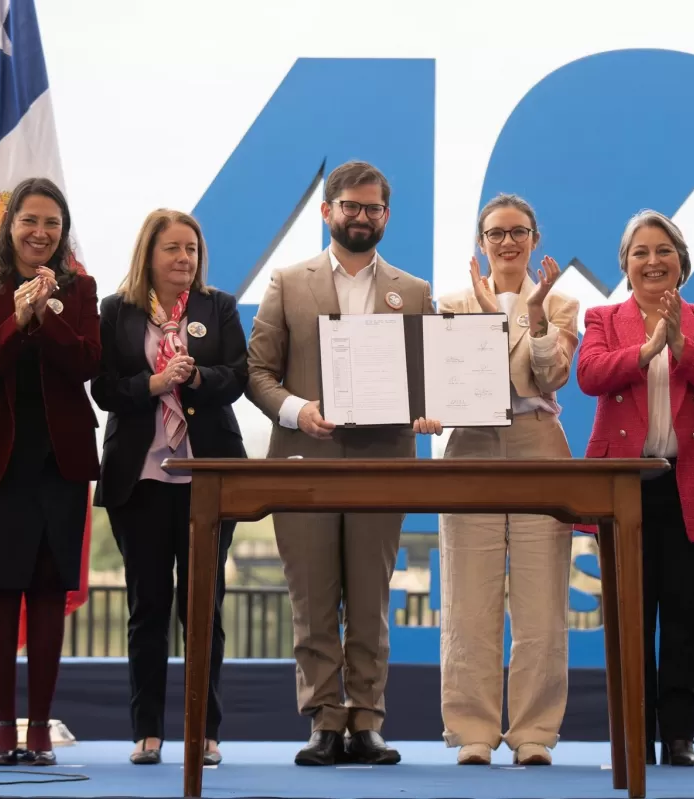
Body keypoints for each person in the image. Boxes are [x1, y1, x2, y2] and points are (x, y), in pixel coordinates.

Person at [246, 160, 440, 766]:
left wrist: (432, 408)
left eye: (372, 208)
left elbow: (430, 375)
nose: (361, 217)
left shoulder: (414, 291)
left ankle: (368, 720)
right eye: (350, 206)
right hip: (305, 458)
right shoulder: (287, 281)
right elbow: (257, 374)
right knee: (311, 597)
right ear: (327, 211)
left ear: (386, 216)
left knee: (370, 600)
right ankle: (324, 720)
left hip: (384, 462)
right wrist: (298, 410)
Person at [576, 210, 694, 767]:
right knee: (630, 615)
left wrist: (681, 344)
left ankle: (679, 735)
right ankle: (632, 735)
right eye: (640, 252)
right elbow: (590, 376)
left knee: (685, 615)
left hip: (691, 481)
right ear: (625, 265)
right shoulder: (602, 318)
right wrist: (646, 350)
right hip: (623, 486)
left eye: (663, 250)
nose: (652, 261)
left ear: (682, 262)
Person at [0, 177, 101, 766]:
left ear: (63, 234)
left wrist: (46, 315)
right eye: (29, 221)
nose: (40, 233)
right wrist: (15, 321)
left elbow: (88, 362)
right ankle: (3, 727)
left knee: (46, 591)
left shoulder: (81, 288)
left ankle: (39, 729)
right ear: (9, 226)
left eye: (52, 224)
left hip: (58, 463)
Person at [92, 209, 248, 766]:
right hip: (141, 478)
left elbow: (239, 375)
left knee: (203, 606)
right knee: (148, 605)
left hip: (208, 475)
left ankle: (205, 733)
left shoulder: (217, 307)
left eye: (192, 249)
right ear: (149, 255)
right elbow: (104, 388)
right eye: (173, 249)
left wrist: (198, 378)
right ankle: (148, 731)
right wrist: (153, 383)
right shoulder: (116, 311)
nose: (185, 259)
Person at [433, 194, 578, 767]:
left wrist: (534, 313)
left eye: (519, 232)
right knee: (468, 597)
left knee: (543, 600)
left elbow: (552, 375)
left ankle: (535, 732)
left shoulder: (562, 304)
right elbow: (453, 382)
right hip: (470, 447)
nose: (508, 242)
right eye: (496, 233)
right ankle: (472, 730)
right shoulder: (451, 303)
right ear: (481, 241)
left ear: (535, 239)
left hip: (538, 444)